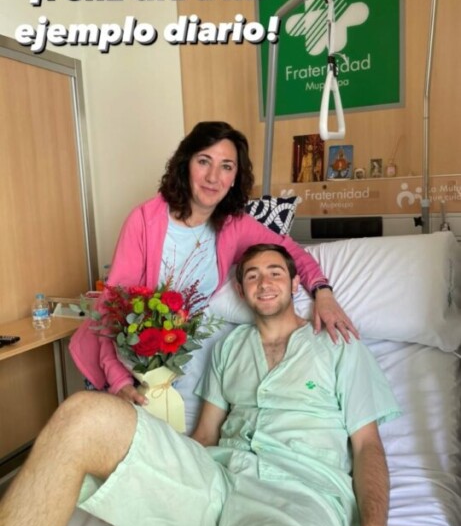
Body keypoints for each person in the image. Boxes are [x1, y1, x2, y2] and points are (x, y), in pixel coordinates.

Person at [0, 244, 400, 526]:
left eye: (275, 273)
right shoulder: (230, 347)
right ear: (241, 291)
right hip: (214, 484)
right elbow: (205, 435)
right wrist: (145, 475)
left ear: (296, 283)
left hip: (297, 495)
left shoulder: (338, 345)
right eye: (253, 276)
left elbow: (367, 446)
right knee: (83, 416)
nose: (264, 283)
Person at [70, 121, 358, 405]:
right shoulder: (144, 221)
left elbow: (291, 251)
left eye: (226, 166)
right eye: (204, 161)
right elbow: (113, 307)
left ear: (235, 177)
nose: (213, 177)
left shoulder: (235, 226)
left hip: (161, 368)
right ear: (186, 164)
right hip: (112, 365)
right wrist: (119, 381)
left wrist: (323, 292)